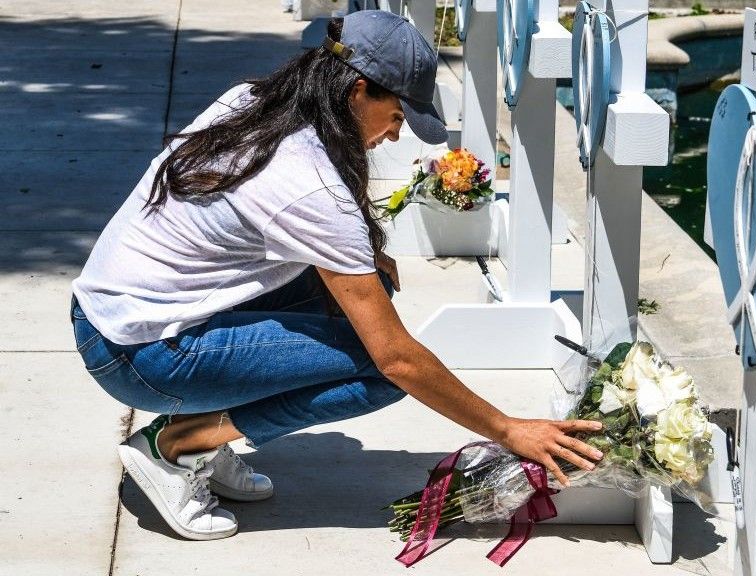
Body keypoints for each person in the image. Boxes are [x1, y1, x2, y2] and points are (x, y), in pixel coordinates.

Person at [70, 11, 602, 541]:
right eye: (397, 117)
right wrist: (509, 429)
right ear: (359, 90)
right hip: (140, 355)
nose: (395, 137)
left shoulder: (255, 101)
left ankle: (205, 429)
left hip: (110, 313)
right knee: (378, 370)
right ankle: (181, 444)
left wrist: (366, 252)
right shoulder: (309, 188)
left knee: (365, 290)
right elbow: (397, 359)